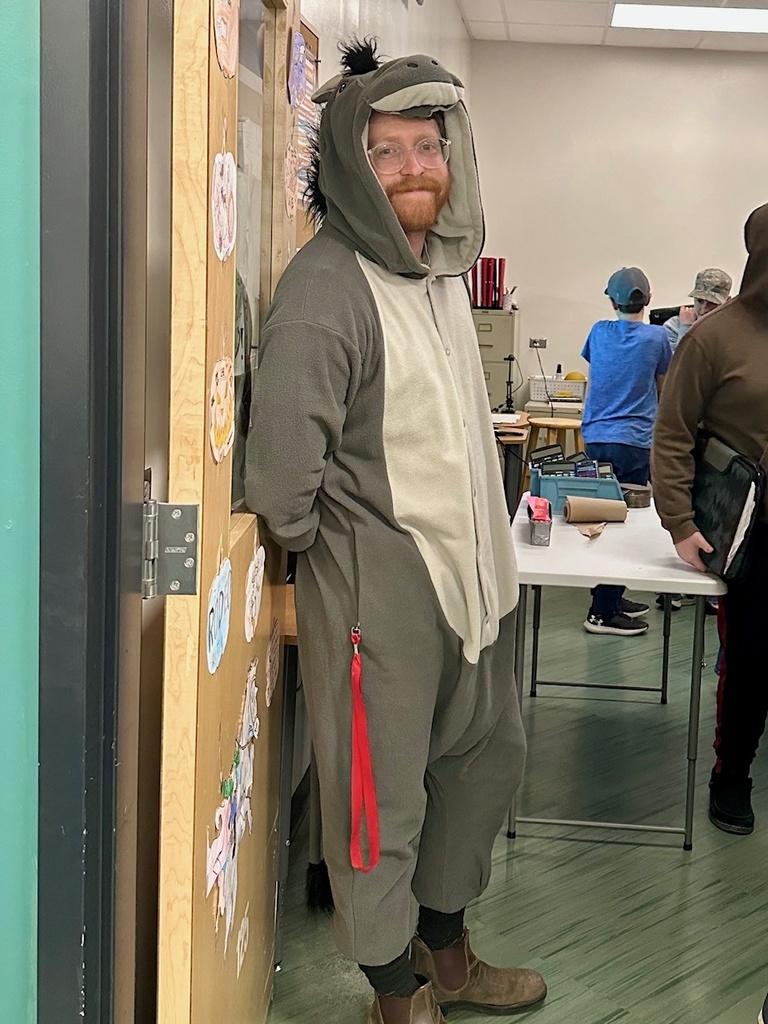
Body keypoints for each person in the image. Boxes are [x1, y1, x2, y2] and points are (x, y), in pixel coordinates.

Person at [245, 40, 546, 1024]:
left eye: (428, 145)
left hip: (473, 584)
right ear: (350, 163)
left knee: (479, 768)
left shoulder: (438, 274)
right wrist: (346, 563)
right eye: (387, 151)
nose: (415, 168)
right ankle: (394, 993)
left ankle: (448, 956)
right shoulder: (327, 289)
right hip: (383, 589)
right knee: (380, 804)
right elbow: (282, 482)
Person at [652, 202, 768, 837]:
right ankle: (732, 773)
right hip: (747, 527)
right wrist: (679, 520)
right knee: (752, 656)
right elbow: (672, 431)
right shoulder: (714, 338)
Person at [580, 267, 671, 636]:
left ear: (611, 301)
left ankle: (612, 598)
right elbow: (664, 387)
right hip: (633, 442)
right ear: (648, 300)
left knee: (601, 519)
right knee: (623, 525)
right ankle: (602, 611)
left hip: (595, 438)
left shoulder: (598, 332)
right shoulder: (657, 338)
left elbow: (601, 373)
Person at [663, 268, 732, 353]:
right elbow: (679, 360)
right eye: (699, 301)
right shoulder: (673, 326)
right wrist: (686, 328)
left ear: (727, 302)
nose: (703, 309)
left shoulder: (733, 328)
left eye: (712, 303)